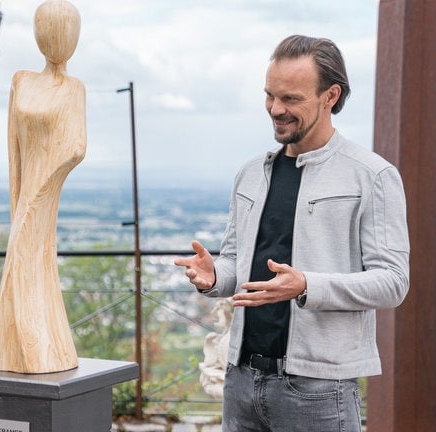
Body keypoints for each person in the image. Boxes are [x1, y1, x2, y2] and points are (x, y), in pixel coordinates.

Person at [174, 35, 409, 431]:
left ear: (330, 96)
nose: (275, 109)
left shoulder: (373, 176)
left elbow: (393, 282)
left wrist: (305, 286)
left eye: (291, 98)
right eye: (270, 95)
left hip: (319, 389)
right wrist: (215, 277)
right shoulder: (250, 174)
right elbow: (236, 263)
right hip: (241, 381)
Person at [0, 0, 84, 374]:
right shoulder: (21, 80)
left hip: (46, 187)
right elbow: (12, 144)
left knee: (31, 260)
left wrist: (40, 190)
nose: (61, 40)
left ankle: (40, 348)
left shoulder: (74, 88)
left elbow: (77, 146)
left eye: (68, 31)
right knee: (23, 261)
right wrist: (20, 198)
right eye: (52, 30)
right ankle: (19, 347)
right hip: (25, 188)